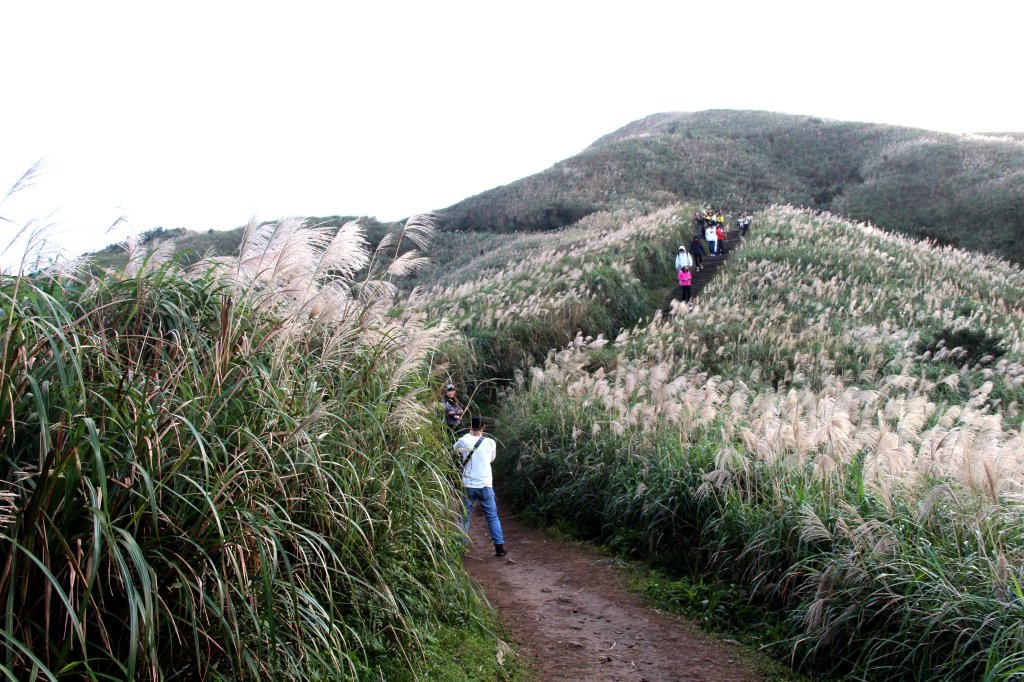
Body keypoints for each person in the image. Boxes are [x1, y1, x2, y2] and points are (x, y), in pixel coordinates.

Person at [454, 416, 506, 557]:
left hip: (468, 484)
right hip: (485, 484)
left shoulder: (463, 440)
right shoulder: (490, 442)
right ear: (483, 427)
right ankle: (499, 548)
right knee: (492, 516)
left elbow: (454, 450)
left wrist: (468, 435)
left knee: (464, 517)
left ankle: (460, 548)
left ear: (469, 426)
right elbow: (491, 459)